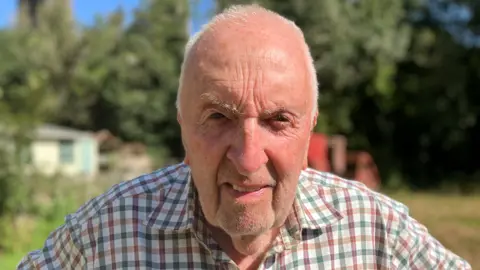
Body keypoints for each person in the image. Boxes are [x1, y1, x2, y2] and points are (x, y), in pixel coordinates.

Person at [18, 4, 471, 270]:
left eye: (278, 120)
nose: (249, 157)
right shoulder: (107, 233)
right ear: (182, 125)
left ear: (310, 122)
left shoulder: (376, 235)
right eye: (217, 117)